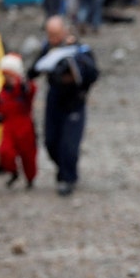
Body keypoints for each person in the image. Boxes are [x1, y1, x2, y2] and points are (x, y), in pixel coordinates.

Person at [28, 16, 99, 196]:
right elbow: (33, 70)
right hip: (54, 99)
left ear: (64, 31)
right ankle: (63, 169)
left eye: (56, 35)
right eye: (50, 35)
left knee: (69, 144)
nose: (53, 39)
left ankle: (68, 178)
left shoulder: (80, 49)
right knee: (51, 141)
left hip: (74, 101)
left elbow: (93, 74)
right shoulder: (48, 49)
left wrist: (75, 70)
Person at [0, 53, 38, 189]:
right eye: (4, 74)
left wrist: (24, 84)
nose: (6, 77)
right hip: (9, 126)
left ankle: (30, 179)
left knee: (28, 156)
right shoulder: (2, 91)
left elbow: (31, 90)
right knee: (5, 151)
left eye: (9, 74)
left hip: (24, 126)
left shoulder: (23, 88)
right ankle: (13, 172)